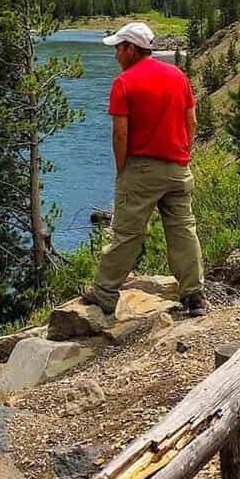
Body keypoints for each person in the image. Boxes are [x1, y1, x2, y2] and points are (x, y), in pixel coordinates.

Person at [81, 20, 207, 317]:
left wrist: (123, 169)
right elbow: (192, 123)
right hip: (178, 168)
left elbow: (120, 134)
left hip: (141, 169)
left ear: (130, 49)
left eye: (118, 49)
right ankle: (195, 297)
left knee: (126, 232)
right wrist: (183, 153)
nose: (115, 56)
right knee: (183, 231)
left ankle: (105, 292)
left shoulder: (124, 83)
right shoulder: (178, 76)